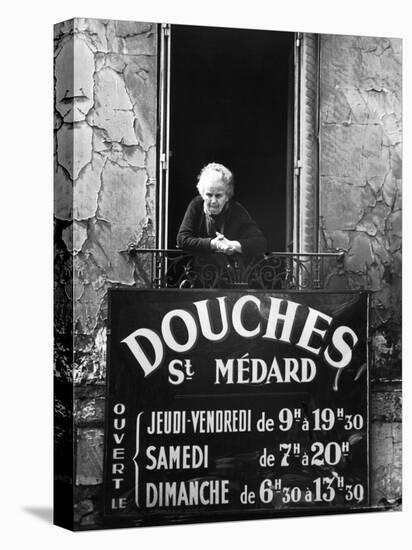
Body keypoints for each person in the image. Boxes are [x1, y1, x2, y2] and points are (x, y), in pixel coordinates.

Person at [177, 163, 267, 257]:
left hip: (227, 271)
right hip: (197, 270)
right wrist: (214, 244)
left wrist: (232, 245)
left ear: (227, 196)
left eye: (218, 195)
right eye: (209, 195)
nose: (213, 201)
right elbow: (182, 239)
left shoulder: (236, 210)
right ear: (202, 194)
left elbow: (260, 242)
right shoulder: (196, 205)